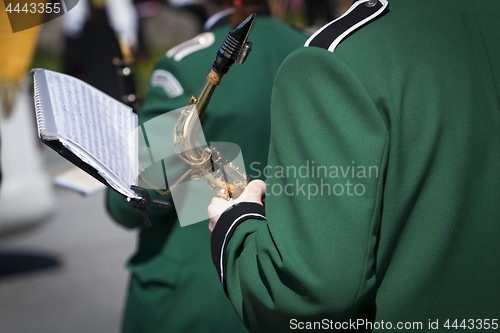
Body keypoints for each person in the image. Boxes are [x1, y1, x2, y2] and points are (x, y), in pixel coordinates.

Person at [208, 0, 500, 331]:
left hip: (226, 285)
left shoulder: (180, 64)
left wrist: (231, 226)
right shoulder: (304, 39)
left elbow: (149, 195)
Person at [106, 0, 307, 331]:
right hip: (289, 292)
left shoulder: (186, 64)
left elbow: (131, 203)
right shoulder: (320, 48)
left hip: (196, 299)